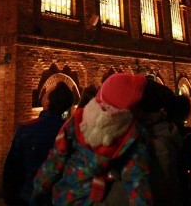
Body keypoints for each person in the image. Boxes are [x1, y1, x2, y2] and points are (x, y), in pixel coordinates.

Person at [31, 72, 152, 205]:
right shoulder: (131, 135)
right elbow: (137, 181)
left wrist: (38, 190)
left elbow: (54, 162)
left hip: (66, 196)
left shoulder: (78, 119)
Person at [2, 81, 74, 205]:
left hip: (29, 197)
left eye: (47, 92)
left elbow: (12, 170)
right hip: (60, 198)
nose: (45, 92)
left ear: (47, 102)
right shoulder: (71, 131)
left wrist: (11, 199)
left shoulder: (26, 129)